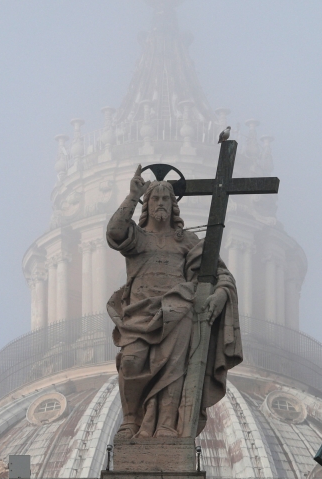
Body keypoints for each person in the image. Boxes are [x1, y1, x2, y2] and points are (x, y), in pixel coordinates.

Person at [106, 165, 242, 438]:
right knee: (131, 361)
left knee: (174, 369)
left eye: (166, 199)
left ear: (173, 205)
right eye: (154, 198)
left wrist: (219, 295)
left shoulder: (188, 241)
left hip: (178, 313)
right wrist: (132, 196)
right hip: (138, 314)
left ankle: (167, 422)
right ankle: (131, 419)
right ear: (146, 204)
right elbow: (115, 232)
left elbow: (221, 274)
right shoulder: (137, 238)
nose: (160, 203)